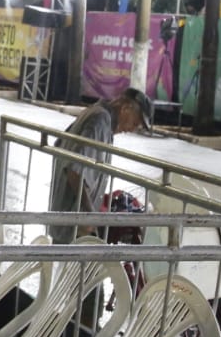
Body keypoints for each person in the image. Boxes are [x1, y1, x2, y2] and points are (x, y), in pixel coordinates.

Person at [48, 88, 153, 244]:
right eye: (135, 123)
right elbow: (74, 171)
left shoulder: (95, 113)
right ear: (126, 108)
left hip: (66, 217)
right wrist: (90, 214)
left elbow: (61, 147)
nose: (131, 129)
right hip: (73, 221)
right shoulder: (100, 121)